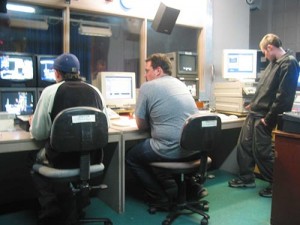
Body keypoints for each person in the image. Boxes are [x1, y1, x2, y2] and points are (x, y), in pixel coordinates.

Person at [29, 53, 109, 225]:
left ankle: (51, 211)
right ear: (78, 72)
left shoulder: (50, 91)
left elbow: (38, 133)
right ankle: (76, 205)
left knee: (33, 160)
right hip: (91, 160)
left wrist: (33, 121)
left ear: (57, 73)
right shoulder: (95, 92)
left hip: (59, 160)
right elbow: (105, 127)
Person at [228, 33, 300, 197]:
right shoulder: (274, 63)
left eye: (265, 52)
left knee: (262, 152)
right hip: (255, 112)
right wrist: (253, 102)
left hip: (264, 116)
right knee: (244, 147)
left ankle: (277, 185)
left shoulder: (289, 63)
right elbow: (264, 88)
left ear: (270, 47)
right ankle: (247, 178)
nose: (265, 56)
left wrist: (268, 119)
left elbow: (284, 97)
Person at [125, 53, 201, 208]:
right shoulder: (180, 83)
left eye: (147, 71)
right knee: (154, 145)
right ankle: (188, 188)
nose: (145, 75)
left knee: (131, 156)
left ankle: (159, 197)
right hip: (193, 148)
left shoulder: (148, 87)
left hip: (170, 148)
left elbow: (141, 126)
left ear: (158, 71)